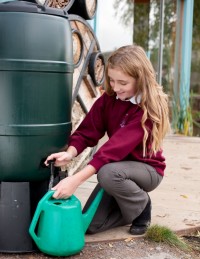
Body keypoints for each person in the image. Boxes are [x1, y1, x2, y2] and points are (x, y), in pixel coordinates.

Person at [45, 44, 170, 235]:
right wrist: (70, 153)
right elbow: (88, 131)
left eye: (123, 82)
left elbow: (113, 149)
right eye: (111, 80)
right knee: (91, 226)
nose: (115, 87)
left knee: (107, 173)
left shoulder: (148, 110)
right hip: (118, 169)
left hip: (147, 170)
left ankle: (142, 206)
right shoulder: (109, 100)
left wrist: (75, 180)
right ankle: (129, 206)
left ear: (140, 80)